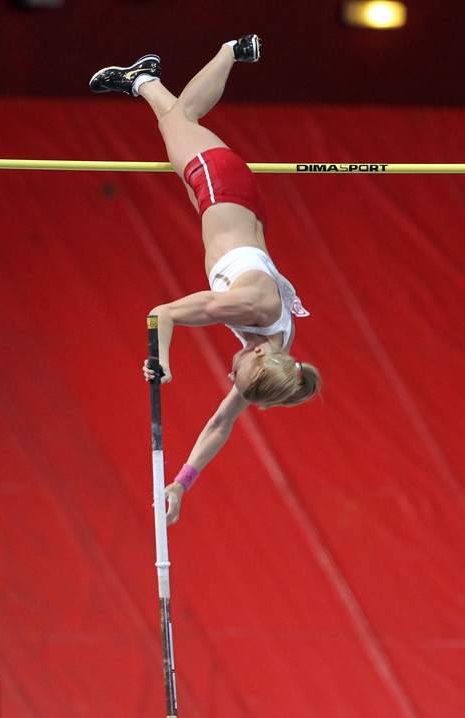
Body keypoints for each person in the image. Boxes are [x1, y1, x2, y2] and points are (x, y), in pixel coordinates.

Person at [90, 36, 322, 524]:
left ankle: (145, 77)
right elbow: (163, 314)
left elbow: (221, 424)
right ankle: (213, 57)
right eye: (235, 372)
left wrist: (181, 484)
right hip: (219, 186)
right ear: (259, 356)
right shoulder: (249, 310)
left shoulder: (275, 346)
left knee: (180, 121)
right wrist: (163, 362)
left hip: (238, 201)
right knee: (177, 121)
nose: (228, 375)